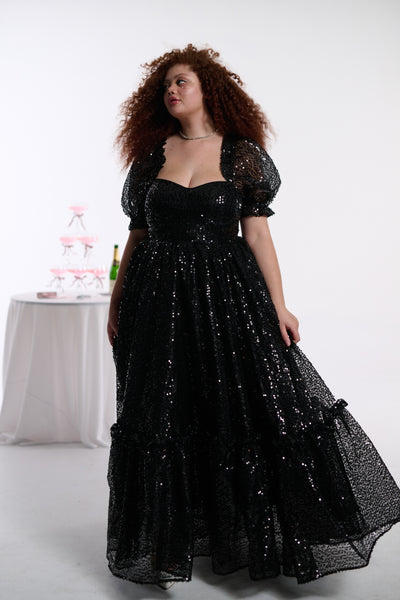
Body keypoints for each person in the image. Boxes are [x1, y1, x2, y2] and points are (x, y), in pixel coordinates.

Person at [106, 44, 400, 591]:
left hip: (228, 297)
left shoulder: (241, 155)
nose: (172, 90)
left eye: (182, 81)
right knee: (166, 410)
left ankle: (254, 534)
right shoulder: (151, 157)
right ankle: (170, 540)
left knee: (246, 406)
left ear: (209, 89)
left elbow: (258, 234)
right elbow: (137, 236)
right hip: (159, 301)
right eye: (166, 84)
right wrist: (117, 299)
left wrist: (279, 304)